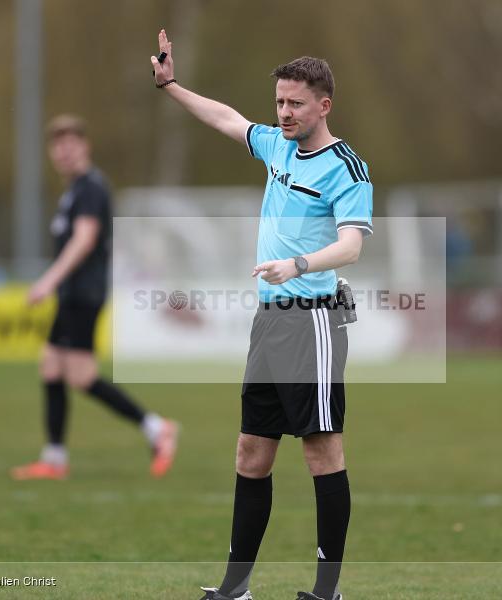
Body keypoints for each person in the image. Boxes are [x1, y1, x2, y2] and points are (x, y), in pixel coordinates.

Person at [150, 30, 372, 600]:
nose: (284, 112)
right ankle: (235, 588)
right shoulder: (277, 144)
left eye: (295, 103)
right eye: (279, 102)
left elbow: (351, 246)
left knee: (322, 452)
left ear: (324, 105)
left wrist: (297, 265)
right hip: (270, 320)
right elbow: (226, 119)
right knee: (252, 454)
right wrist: (172, 86)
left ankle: (327, 593)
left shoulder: (346, 168)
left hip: (314, 319)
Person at [11, 114, 179, 481]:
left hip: (83, 295)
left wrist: (48, 281)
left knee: (82, 376)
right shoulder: (74, 190)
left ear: (84, 147)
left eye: (71, 144)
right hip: (74, 293)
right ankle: (54, 457)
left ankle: (156, 428)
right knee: (51, 366)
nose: (64, 152)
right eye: (57, 145)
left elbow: (85, 239)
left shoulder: (90, 187)